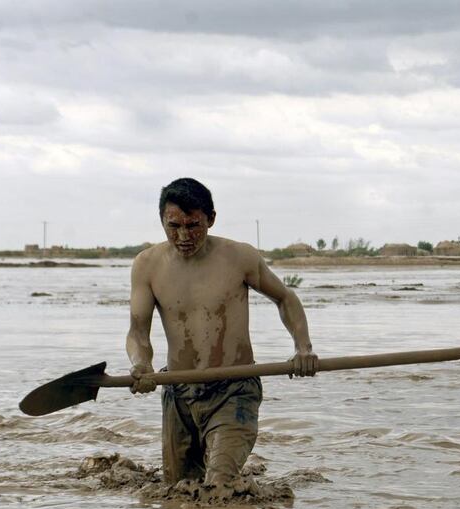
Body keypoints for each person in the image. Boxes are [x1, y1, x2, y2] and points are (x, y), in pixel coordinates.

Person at [126, 178, 318, 486]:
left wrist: (303, 348)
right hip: (178, 392)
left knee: (220, 488)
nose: (184, 236)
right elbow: (138, 332)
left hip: (234, 389)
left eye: (193, 225)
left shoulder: (240, 257)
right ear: (161, 220)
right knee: (178, 492)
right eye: (173, 226)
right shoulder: (146, 265)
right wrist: (140, 364)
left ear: (211, 219)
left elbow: (285, 298)